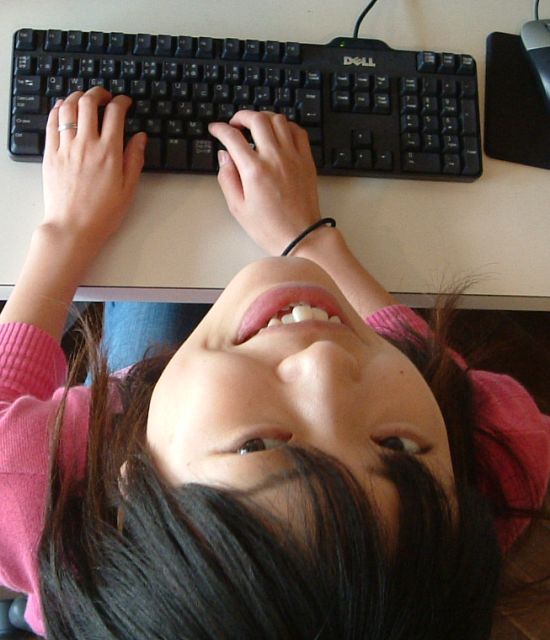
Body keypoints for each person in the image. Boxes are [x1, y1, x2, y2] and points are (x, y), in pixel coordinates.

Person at [0, 86, 548, 639]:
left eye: (257, 446)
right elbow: (439, 379)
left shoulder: (31, 493)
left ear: (131, 495)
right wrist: (308, 240)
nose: (324, 362)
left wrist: (67, 230)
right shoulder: (500, 460)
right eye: (397, 446)